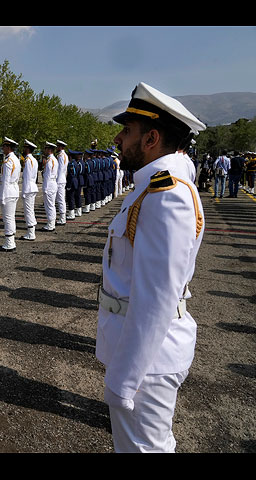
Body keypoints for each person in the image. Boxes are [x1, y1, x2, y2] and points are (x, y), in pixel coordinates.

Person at [98, 81, 206, 453]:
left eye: (127, 131)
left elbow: (157, 299)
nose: (118, 138)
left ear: (151, 139)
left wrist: (125, 379)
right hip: (144, 353)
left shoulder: (167, 195)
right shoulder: (151, 188)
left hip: (148, 361)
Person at [0, 137, 21, 250]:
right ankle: (11, 240)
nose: (2, 148)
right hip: (14, 190)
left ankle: (9, 243)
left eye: (4, 146)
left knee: (8, 218)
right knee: (11, 217)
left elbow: (6, 181)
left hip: (8, 192)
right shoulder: (16, 160)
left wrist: (2, 197)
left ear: (8, 147)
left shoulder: (8, 161)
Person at [20, 139, 39, 240]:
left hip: (28, 188)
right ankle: (31, 231)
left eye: (24, 147)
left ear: (27, 149)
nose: (23, 149)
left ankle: (31, 233)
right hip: (33, 186)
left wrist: (24, 191)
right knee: (30, 210)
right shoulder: (34, 160)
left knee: (28, 211)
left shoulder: (28, 160)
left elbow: (26, 176)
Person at [41, 142, 58, 231]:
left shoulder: (50, 161)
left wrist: (45, 188)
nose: (45, 150)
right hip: (53, 183)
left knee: (49, 205)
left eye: (46, 149)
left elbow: (47, 175)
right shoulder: (54, 159)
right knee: (52, 205)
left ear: (49, 150)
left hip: (49, 184)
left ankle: (50, 224)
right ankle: (51, 223)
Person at [55, 140, 69, 225]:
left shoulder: (61, 156)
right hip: (62, 179)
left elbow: (59, 169)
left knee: (60, 199)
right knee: (61, 199)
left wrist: (56, 180)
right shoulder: (64, 155)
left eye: (57, 146)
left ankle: (62, 218)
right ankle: (62, 217)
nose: (56, 148)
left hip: (59, 180)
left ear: (60, 147)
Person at [65, 149, 82, 220]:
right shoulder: (76, 163)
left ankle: (71, 213)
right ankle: (77, 211)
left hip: (72, 182)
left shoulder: (72, 163)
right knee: (76, 197)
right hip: (75, 181)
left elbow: (72, 175)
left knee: (70, 198)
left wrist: (69, 185)